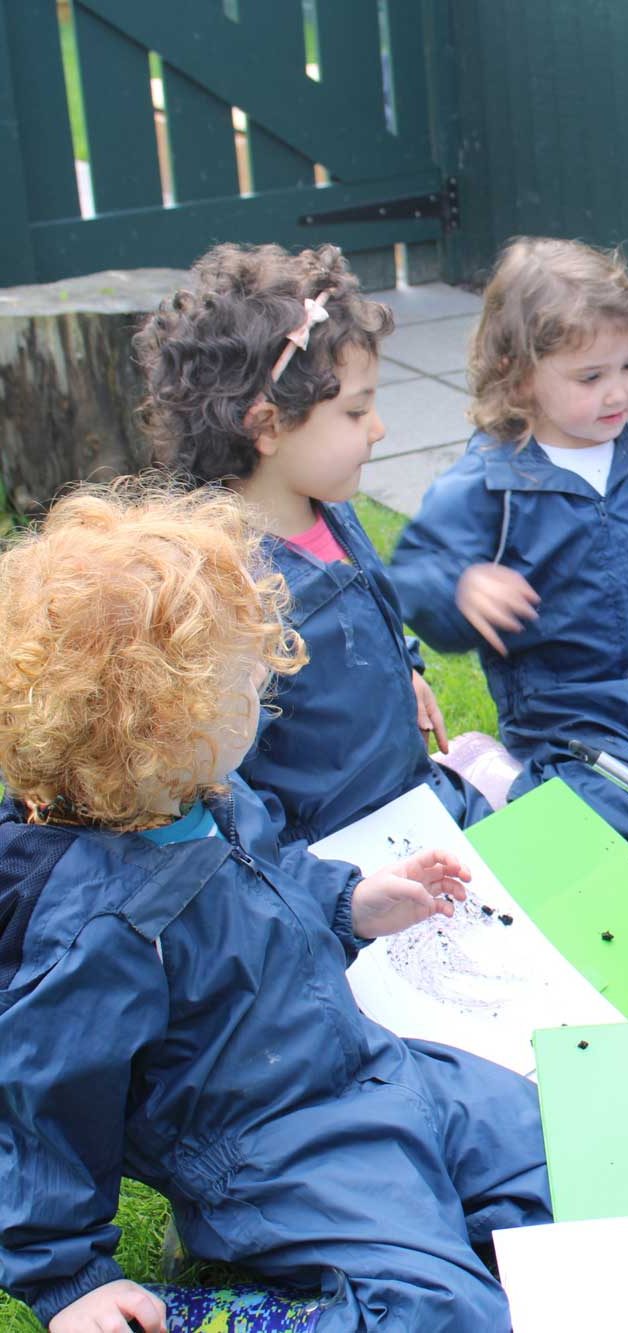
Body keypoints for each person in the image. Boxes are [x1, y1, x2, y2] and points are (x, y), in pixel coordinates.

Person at [0, 485, 552, 1332]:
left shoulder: (206, 792)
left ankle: (437, 1229)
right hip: (275, 1146)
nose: (264, 684)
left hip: (368, 1063)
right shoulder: (101, 926)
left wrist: (352, 902)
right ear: (161, 722)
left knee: (566, 1146)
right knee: (443, 1314)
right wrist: (67, 1278)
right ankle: (241, 1309)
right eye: (241, 681)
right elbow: (47, 1098)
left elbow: (275, 876)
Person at [389, 238, 628, 853]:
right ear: (518, 378)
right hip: (567, 702)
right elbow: (416, 574)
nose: (618, 394)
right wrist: (461, 588)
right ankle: (496, 778)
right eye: (591, 377)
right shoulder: (491, 483)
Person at [134, 242, 493, 862]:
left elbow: (370, 606)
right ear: (267, 426)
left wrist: (402, 668)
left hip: (404, 791)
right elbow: (227, 781)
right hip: (332, 845)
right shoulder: (228, 590)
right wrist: (305, 884)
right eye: (356, 411)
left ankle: (478, 775)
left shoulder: (323, 502)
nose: (378, 428)